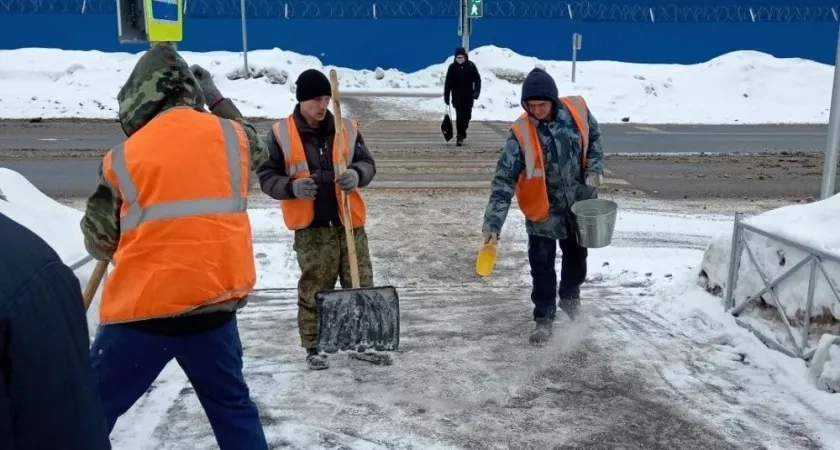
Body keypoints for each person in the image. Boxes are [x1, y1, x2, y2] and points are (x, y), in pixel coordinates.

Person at [79, 42, 270, 449]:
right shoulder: (232, 137)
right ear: (190, 90)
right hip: (212, 311)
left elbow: (99, 241)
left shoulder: (122, 157)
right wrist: (218, 102)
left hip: (142, 316)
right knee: (233, 410)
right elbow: (260, 147)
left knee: (88, 411)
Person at [257, 68, 385, 370]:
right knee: (315, 289)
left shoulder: (346, 128)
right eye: (316, 99)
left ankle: (362, 341)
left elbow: (367, 162)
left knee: (359, 284)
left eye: (327, 98)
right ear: (301, 100)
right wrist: (291, 187)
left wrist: (357, 174)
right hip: (312, 228)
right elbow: (266, 175)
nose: (323, 105)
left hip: (349, 223)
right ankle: (314, 347)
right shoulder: (281, 133)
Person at [480, 67, 605, 347]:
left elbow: (595, 137)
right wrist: (493, 225)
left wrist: (595, 168)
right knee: (541, 265)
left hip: (577, 205)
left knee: (577, 259)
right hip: (541, 210)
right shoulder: (521, 132)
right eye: (531, 105)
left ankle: (570, 298)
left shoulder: (577, 112)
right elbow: (503, 180)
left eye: (542, 105)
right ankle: (544, 317)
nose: (536, 111)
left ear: (553, 100)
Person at [0, 212, 112, 450]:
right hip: (194, 301)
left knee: (106, 392)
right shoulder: (30, 264)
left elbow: (100, 238)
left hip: (141, 305)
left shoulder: (27, 271)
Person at [443, 46, 481, 146]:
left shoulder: (471, 66)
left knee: (467, 116)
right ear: (455, 58)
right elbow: (448, 84)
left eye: (461, 57)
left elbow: (477, 79)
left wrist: (476, 92)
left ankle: (463, 131)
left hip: (469, 96)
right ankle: (459, 137)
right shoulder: (452, 68)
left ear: (465, 57)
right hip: (457, 97)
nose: (459, 59)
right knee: (459, 116)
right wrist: (447, 97)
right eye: (458, 57)